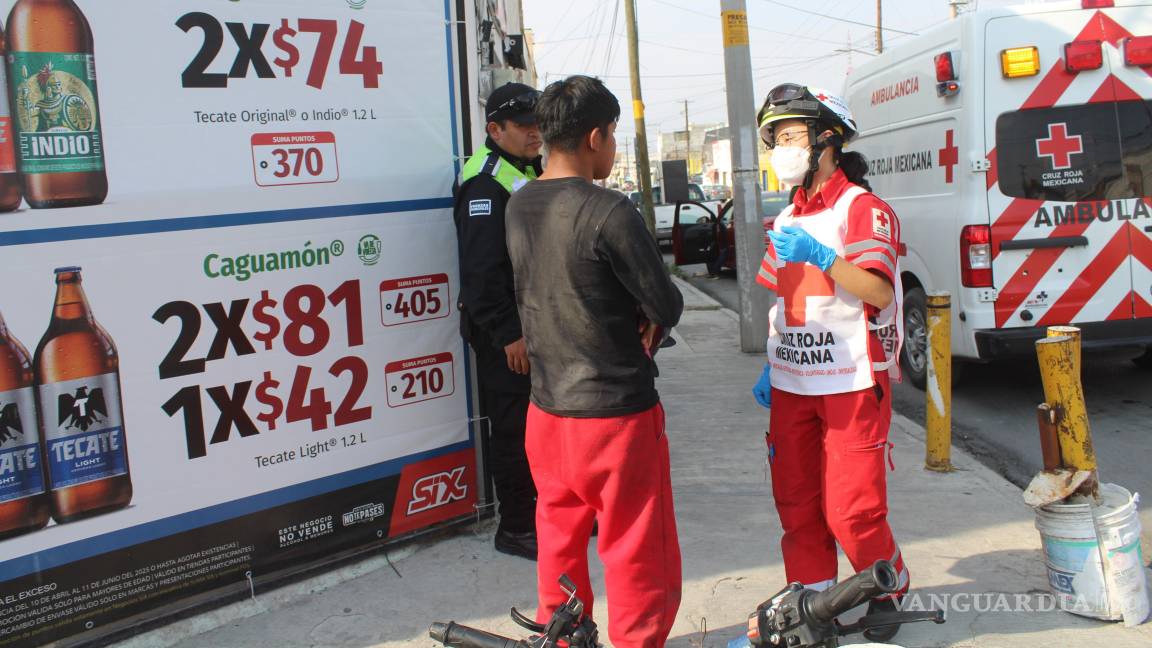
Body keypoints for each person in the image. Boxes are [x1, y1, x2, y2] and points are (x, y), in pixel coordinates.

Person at [505, 75, 684, 648]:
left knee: (559, 540)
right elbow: (667, 303)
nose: (613, 149)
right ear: (595, 137)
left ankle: (563, 639)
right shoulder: (611, 212)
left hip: (547, 411)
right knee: (636, 555)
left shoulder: (518, 204)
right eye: (612, 137)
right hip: (616, 420)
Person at [750, 83, 909, 643]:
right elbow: (782, 299)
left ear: (827, 140)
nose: (781, 149)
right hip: (793, 383)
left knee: (852, 510)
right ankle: (814, 604)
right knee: (797, 505)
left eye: (791, 136)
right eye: (775, 140)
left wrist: (823, 255)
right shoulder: (788, 214)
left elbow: (877, 291)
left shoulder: (862, 209)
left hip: (850, 379)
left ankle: (886, 586)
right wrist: (772, 364)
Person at [453, 82, 543, 560]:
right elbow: (481, 272)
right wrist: (508, 334)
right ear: (495, 129)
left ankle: (553, 517)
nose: (536, 132)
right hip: (505, 335)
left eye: (538, 122)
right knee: (513, 432)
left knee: (546, 430)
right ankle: (517, 527)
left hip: (538, 326)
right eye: (525, 125)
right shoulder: (485, 182)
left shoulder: (527, 167)